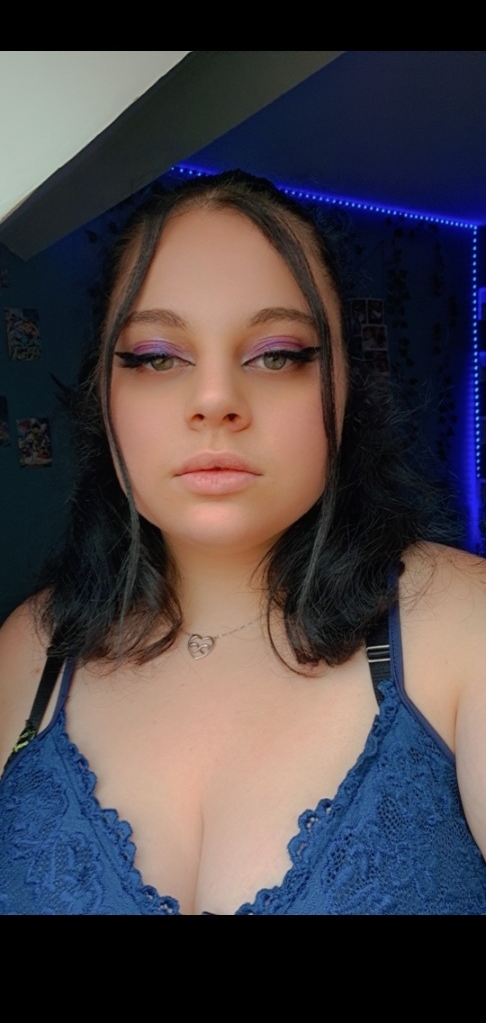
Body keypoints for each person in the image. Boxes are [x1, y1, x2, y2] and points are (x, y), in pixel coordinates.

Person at [1, 170, 485, 915]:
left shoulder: (462, 624)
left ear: (346, 387)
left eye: (278, 353)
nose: (216, 400)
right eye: (156, 356)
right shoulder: (29, 651)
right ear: (105, 392)